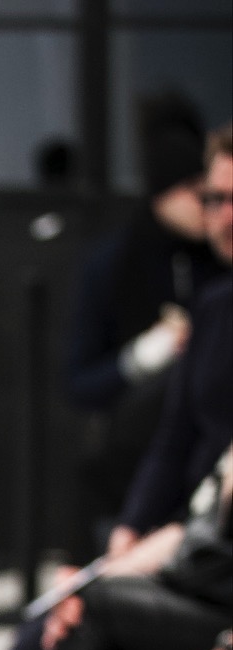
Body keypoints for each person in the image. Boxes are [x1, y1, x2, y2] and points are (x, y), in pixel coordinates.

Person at [65, 99, 218, 537]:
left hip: (208, 459)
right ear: (164, 192)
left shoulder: (219, 261)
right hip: (134, 457)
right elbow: (79, 384)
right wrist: (142, 357)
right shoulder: (115, 265)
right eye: (199, 193)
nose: (210, 208)